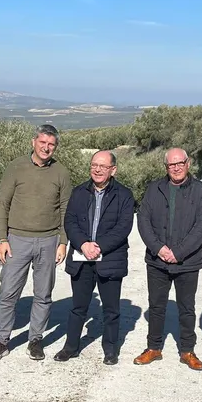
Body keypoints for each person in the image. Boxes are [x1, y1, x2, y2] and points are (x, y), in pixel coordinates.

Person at [0, 124, 72, 362]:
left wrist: (63, 241)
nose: (46, 148)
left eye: (51, 144)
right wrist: (1, 239)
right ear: (33, 142)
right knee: (7, 293)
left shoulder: (61, 172)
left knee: (43, 294)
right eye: (43, 142)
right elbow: (2, 204)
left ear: (55, 147)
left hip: (49, 239)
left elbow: (66, 209)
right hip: (16, 239)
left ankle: (35, 339)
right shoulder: (16, 167)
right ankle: (1, 340)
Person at [134, 148, 202, 370]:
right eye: (171, 164)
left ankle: (187, 351)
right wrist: (159, 249)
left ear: (188, 163)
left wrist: (178, 252)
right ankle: (154, 348)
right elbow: (143, 220)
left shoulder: (200, 192)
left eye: (180, 163)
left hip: (188, 261)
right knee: (156, 306)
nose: (176, 168)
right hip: (157, 261)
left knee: (186, 307)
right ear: (165, 167)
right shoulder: (153, 189)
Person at [55, 150, 135, 365]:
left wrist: (98, 247)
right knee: (78, 307)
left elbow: (123, 227)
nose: (97, 170)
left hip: (109, 259)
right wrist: (83, 244)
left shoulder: (124, 195)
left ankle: (110, 349)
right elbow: (70, 221)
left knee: (111, 309)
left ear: (113, 170)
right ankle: (71, 346)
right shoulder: (79, 191)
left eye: (103, 166)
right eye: (94, 165)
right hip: (82, 259)